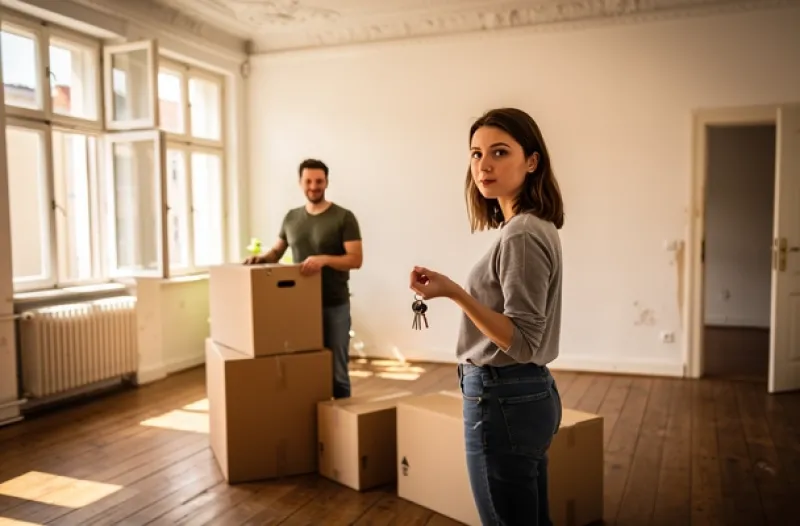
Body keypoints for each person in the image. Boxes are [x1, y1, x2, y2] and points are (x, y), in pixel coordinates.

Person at [409, 108, 564, 526]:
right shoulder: (531, 226)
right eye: (476, 154)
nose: (484, 165)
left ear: (531, 161)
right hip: (523, 395)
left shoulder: (523, 233)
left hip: (503, 397)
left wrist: (455, 292)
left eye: (499, 152)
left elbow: (523, 340)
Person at [245, 158, 363, 399]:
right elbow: (276, 252)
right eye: (308, 181)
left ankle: (343, 419)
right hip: (300, 306)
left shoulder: (343, 217)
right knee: (305, 366)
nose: (313, 186)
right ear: (300, 182)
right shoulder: (291, 218)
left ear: (327, 182)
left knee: (337, 371)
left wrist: (324, 259)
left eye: (319, 181)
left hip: (334, 305)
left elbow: (355, 259)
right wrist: (260, 258)